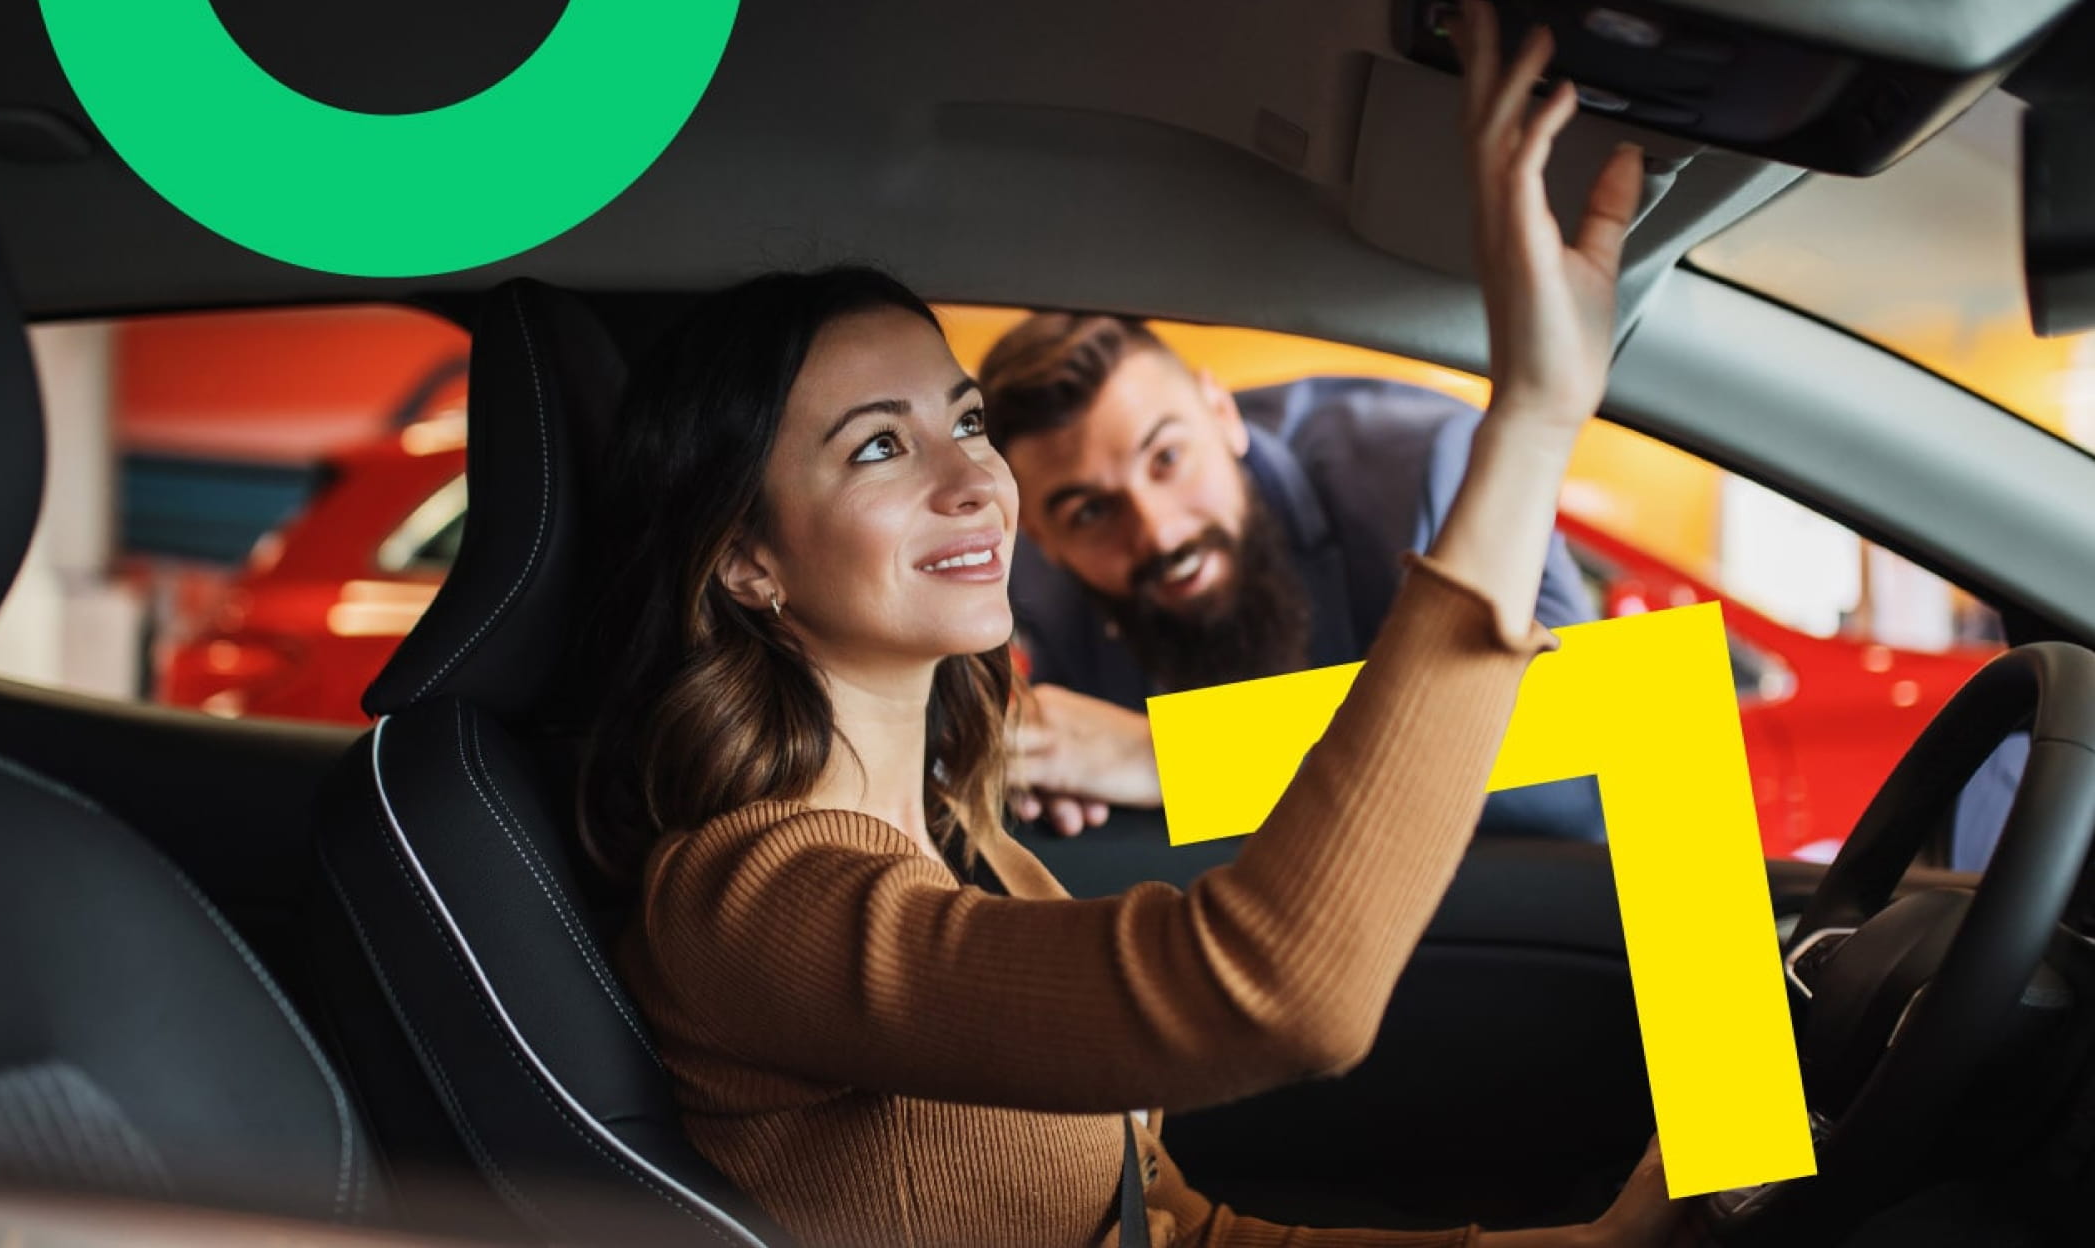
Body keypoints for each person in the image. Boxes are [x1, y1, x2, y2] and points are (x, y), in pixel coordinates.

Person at [577, 6, 1701, 1245]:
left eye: (962, 426)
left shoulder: (1409, 464)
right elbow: (1275, 992)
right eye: (880, 448)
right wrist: (1533, 420)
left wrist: (1629, 1222)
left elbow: (1638, 713)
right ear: (745, 559)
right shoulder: (755, 898)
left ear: (1224, 416)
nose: (972, 486)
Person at [979, 316, 1605, 840]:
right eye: (1090, 512)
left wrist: (1170, 758)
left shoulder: (1433, 470)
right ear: (1042, 537)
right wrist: (1060, 784)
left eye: (1167, 458)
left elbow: (1610, 732)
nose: (1159, 534)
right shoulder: (1028, 588)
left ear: (1223, 414)